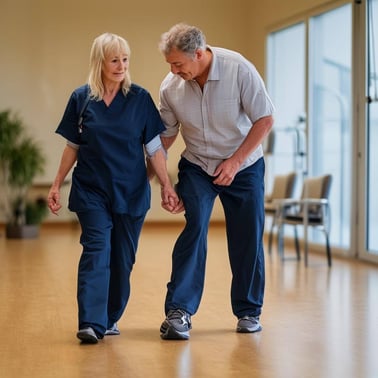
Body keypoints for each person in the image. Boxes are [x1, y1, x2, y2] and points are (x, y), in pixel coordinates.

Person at [47, 32, 179, 344]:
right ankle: (91, 323)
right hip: (91, 190)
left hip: (131, 192)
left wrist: (166, 186)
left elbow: (154, 148)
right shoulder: (82, 99)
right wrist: (55, 184)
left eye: (125, 59)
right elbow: (72, 146)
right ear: (100, 62)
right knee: (96, 250)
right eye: (114, 59)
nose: (121, 65)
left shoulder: (140, 99)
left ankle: (109, 318)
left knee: (122, 260)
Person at [156, 23, 275, 340]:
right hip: (198, 164)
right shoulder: (171, 86)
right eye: (170, 64)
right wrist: (163, 182)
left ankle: (248, 312)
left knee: (247, 233)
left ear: (198, 54)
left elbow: (265, 119)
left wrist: (235, 163)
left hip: (244, 165)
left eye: (178, 64)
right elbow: (164, 139)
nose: (173, 70)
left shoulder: (239, 69)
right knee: (195, 226)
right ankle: (179, 311)